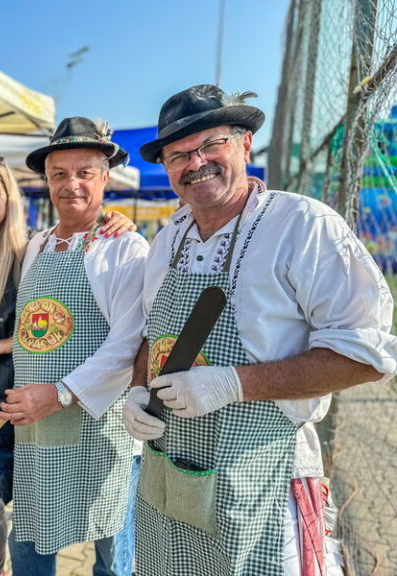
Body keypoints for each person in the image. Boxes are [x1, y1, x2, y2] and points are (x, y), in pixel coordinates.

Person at [122, 84, 397, 576]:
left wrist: (234, 384)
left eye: (210, 145)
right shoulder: (166, 239)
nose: (195, 163)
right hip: (171, 479)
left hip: (263, 480)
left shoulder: (303, 226)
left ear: (245, 143)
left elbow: (366, 353)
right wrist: (138, 390)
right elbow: (149, 332)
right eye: (179, 155)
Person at [0, 117, 149, 576]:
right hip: (37, 430)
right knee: (31, 540)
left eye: (85, 172)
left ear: (106, 177)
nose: (71, 185)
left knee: (110, 555)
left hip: (97, 428)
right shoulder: (36, 246)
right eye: (59, 174)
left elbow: (128, 342)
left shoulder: (126, 248)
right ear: (47, 181)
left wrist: (60, 393)